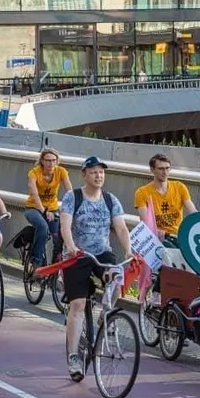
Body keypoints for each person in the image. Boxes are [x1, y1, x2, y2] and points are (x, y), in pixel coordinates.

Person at [60, 156, 134, 382]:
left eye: (101, 172)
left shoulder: (111, 200)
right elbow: (65, 224)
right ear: (84, 174)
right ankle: (74, 357)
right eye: (93, 172)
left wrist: (128, 250)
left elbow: (120, 228)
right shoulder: (73, 197)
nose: (98, 175)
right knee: (78, 305)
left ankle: (106, 314)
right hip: (78, 255)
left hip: (101, 253)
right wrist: (71, 247)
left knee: (117, 274)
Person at [24, 148, 72, 269]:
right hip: (33, 208)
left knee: (58, 238)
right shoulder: (34, 173)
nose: (51, 163)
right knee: (43, 227)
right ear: (42, 161)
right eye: (48, 160)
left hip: (53, 209)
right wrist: (43, 211)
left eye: (54, 160)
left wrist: (74, 207)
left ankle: (54, 271)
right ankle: (37, 262)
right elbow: (34, 193)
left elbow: (69, 192)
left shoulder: (61, 172)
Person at [134, 154, 197, 243]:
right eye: (161, 169)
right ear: (152, 170)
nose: (165, 172)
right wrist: (157, 232)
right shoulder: (142, 192)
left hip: (177, 237)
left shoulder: (179, 187)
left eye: (167, 168)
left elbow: (192, 211)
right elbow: (146, 222)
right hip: (156, 238)